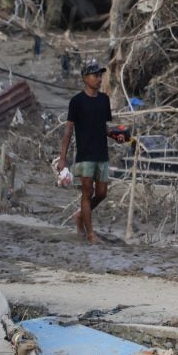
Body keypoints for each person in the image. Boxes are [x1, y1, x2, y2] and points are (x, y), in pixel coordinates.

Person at [59, 59, 112, 243]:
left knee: (102, 193)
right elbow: (68, 130)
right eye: (95, 75)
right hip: (85, 155)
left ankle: (80, 215)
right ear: (85, 78)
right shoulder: (77, 101)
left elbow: (103, 127)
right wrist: (62, 159)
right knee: (87, 193)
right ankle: (90, 233)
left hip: (102, 154)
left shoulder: (104, 100)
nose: (99, 79)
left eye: (100, 75)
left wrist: (121, 135)